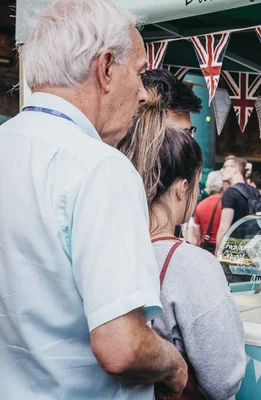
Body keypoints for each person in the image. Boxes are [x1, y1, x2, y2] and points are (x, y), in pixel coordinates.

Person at [0, 1, 187, 398]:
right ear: (105, 69)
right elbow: (123, 347)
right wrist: (173, 364)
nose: (141, 94)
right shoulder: (99, 166)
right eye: (137, 74)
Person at [118, 90, 245, 399]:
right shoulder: (191, 263)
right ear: (182, 186)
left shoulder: (110, 249)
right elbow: (223, 378)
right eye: (197, 183)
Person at [216, 155, 261, 251]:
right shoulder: (254, 191)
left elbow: (223, 228)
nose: (221, 171)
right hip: (252, 247)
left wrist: (218, 251)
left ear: (235, 169)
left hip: (235, 248)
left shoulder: (230, 192)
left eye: (225, 167)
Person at [194, 171, 224, 254]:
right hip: (222, 247)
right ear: (222, 184)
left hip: (205, 247)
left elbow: (197, 235)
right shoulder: (226, 205)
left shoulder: (200, 205)